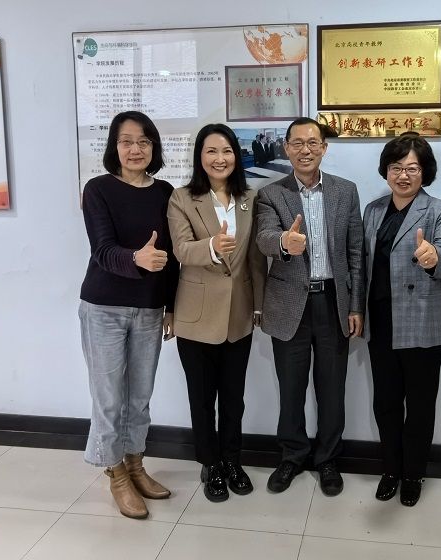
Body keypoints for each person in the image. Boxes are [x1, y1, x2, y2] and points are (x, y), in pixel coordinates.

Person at [255, 117, 364, 497]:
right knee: (291, 388)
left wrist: (356, 305)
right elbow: (264, 237)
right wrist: (284, 243)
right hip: (289, 305)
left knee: (332, 388)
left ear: (324, 148)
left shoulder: (346, 191)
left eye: (313, 143)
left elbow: (356, 252)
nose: (305, 150)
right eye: (297, 143)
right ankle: (293, 455)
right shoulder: (271, 194)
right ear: (286, 148)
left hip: (334, 301)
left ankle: (328, 458)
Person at [78, 110, 178, 519]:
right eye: (126, 141)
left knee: (139, 397)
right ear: (114, 147)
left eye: (143, 142)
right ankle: (115, 472)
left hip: (150, 309)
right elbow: (102, 250)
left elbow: (172, 257)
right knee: (109, 399)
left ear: (154, 147)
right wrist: (136, 258)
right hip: (103, 307)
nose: (135, 149)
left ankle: (136, 464)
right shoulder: (98, 189)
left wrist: (171, 305)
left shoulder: (165, 192)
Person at [167, 124, 266, 502]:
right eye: (211, 151)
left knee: (234, 398)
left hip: (239, 315)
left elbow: (255, 259)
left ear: (236, 155)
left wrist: (258, 304)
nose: (219, 158)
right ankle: (210, 465)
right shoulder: (182, 198)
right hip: (195, 316)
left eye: (226, 151)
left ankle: (232, 461)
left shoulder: (250, 198)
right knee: (202, 397)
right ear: (200, 157)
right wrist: (211, 245)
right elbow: (180, 249)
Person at [363, 132, 441, 506]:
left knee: (419, 405)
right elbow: (361, 266)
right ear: (386, 171)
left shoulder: (439, 211)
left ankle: (414, 472)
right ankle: (391, 468)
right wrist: (356, 310)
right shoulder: (373, 210)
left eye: (412, 168)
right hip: (381, 321)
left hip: (422, 321)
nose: (403, 175)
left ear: (425, 172)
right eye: (396, 167)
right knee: (386, 402)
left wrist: (435, 258)